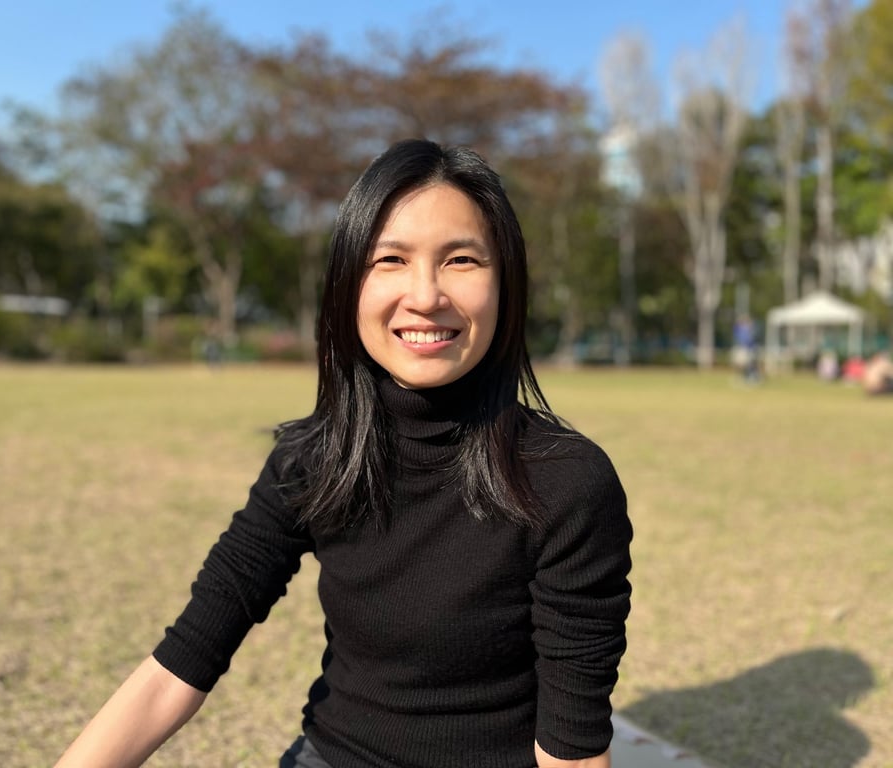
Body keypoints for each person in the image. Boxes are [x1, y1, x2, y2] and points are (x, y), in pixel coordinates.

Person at [55, 139, 633, 768]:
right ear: (348, 284)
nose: (425, 295)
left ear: (507, 285)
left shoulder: (566, 481)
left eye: (462, 259)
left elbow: (572, 749)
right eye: (390, 259)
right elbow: (181, 665)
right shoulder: (312, 458)